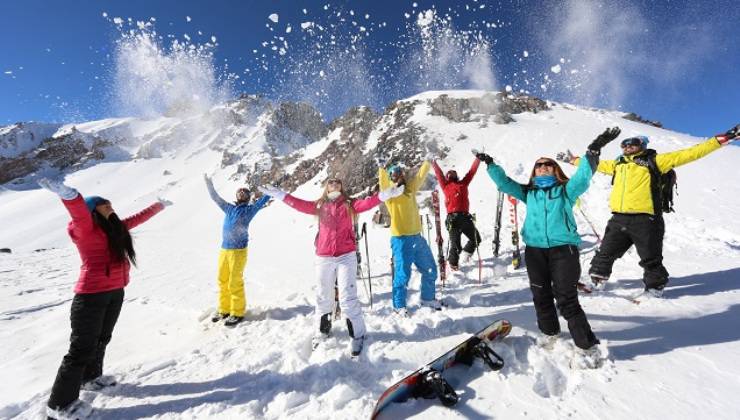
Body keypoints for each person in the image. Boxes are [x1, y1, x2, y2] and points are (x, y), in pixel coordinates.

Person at [476, 127, 621, 368]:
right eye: (539, 165)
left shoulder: (565, 190)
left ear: (556, 170)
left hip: (564, 250)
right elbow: (504, 183)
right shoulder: (528, 192)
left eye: (548, 164)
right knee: (541, 295)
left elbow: (584, 176)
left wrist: (594, 150)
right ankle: (550, 332)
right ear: (534, 172)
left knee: (566, 299)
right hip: (534, 251)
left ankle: (587, 346)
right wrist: (490, 163)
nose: (543, 167)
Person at [38, 178, 169, 419]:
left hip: (115, 292)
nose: (110, 205)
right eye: (103, 204)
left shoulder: (115, 229)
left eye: (110, 202)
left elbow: (138, 218)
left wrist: (158, 207)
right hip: (90, 297)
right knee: (80, 349)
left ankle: (91, 377)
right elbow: (78, 213)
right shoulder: (85, 229)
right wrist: (70, 195)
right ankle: (59, 405)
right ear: (92, 210)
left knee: (102, 339)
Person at [557, 123, 739, 297]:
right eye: (624, 145)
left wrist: (723, 138)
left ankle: (654, 288)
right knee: (604, 253)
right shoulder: (618, 164)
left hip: (646, 220)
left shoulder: (656, 161)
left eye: (632, 144)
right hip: (619, 218)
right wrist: (573, 160)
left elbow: (692, 153)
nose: (627, 147)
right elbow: (594, 165)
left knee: (650, 258)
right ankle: (596, 281)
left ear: (642, 145)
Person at [259, 179, 403, 355]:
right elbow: (299, 205)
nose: (334, 183)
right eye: (330, 182)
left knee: (347, 299)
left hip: (346, 256)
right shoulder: (319, 205)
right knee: (322, 297)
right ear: (326, 187)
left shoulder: (350, 204)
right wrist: (280, 195)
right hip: (324, 257)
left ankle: (358, 335)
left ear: (342, 186)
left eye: (337, 182)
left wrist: (385, 195)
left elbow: (368, 203)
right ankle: (322, 331)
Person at [379, 160, 444, 316]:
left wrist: (428, 161)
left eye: (399, 173)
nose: (397, 176)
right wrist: (381, 169)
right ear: (390, 178)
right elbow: (383, 185)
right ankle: (399, 306)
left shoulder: (410, 189)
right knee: (402, 275)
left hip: (417, 237)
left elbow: (420, 176)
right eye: (393, 174)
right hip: (401, 240)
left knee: (430, 269)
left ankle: (427, 299)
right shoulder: (389, 195)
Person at [204, 175, 270, 327]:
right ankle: (224, 309)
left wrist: (270, 192)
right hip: (225, 249)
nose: (241, 194)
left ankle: (237, 312)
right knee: (222, 280)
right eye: (239, 192)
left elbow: (261, 202)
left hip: (238, 251)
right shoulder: (229, 208)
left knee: (234, 281)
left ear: (248, 198)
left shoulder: (249, 210)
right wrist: (209, 186)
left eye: (244, 192)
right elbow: (216, 198)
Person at [431, 157, 482, 270]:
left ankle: (466, 254)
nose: (452, 174)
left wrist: (477, 159)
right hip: (453, 219)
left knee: (476, 238)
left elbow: (471, 172)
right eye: (450, 173)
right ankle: (453, 264)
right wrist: (434, 163)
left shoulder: (463, 183)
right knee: (455, 245)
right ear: (447, 177)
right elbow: (439, 174)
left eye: (454, 173)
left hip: (465, 217)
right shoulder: (445, 186)